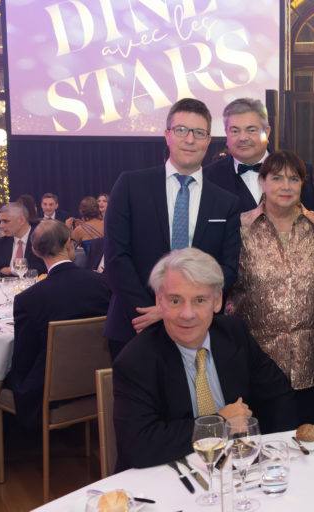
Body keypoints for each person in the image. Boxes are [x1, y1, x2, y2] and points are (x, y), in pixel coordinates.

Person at [113, 248, 297, 470]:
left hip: (240, 470)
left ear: (217, 301)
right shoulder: (135, 361)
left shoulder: (234, 334)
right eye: (175, 300)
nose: (187, 314)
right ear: (159, 301)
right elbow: (138, 445)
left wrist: (271, 455)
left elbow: (278, 396)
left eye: (199, 300)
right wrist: (219, 423)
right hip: (169, 476)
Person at [104, 98, 241, 360]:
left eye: (198, 132)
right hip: (136, 324)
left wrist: (179, 308)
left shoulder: (226, 203)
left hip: (198, 327)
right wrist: (157, 309)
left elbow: (228, 268)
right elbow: (115, 258)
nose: (189, 139)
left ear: (208, 140)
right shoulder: (130, 186)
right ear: (167, 135)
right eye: (181, 130)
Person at [228, 150, 314, 425]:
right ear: (262, 182)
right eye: (277, 178)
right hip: (257, 366)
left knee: (311, 442)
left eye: (293, 179)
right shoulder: (240, 228)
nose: (286, 186)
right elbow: (226, 291)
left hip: (312, 365)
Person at [4, 220, 110, 429]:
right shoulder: (102, 283)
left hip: (46, 392)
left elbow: (23, 358)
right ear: (69, 244)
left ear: (35, 251)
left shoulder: (29, 299)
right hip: (99, 381)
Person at [204, 98, 314, 216]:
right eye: (235, 131)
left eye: (251, 130)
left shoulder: (300, 171)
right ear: (226, 134)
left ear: (267, 132)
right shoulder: (208, 177)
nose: (243, 138)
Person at [0, 202, 47, 276]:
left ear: (21, 220)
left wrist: (12, 270)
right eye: (0, 221)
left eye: (5, 221)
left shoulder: (41, 239)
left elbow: (44, 268)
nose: (1, 226)